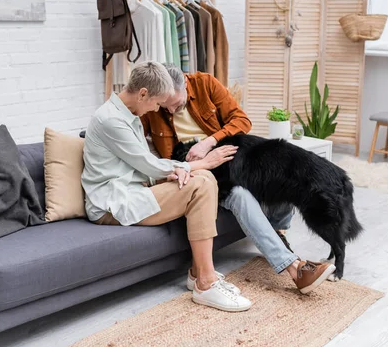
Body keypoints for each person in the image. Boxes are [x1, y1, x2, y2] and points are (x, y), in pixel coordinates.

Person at [140, 64, 337, 294]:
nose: (170, 111)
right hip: (195, 170)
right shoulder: (155, 105)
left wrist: (210, 141)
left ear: (184, 83)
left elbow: (241, 121)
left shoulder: (205, 84)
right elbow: (133, 131)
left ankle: (279, 233)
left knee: (282, 172)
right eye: (165, 106)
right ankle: (295, 269)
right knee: (239, 195)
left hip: (227, 157)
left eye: (175, 104)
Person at [81, 61, 252, 312]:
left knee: (203, 179)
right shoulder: (110, 120)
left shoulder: (129, 113)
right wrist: (200, 163)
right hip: (112, 203)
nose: (157, 109)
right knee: (201, 183)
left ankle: (199, 274)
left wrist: (177, 173)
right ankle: (205, 283)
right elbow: (147, 163)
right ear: (143, 94)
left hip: (134, 191)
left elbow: (141, 165)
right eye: (156, 103)